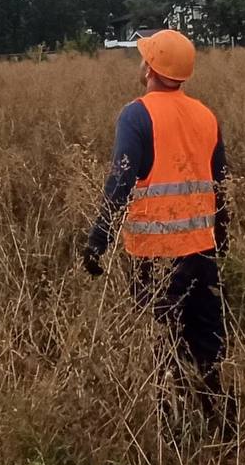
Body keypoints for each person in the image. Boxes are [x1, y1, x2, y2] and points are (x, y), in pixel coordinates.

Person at [84, 29, 231, 431]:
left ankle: (174, 432)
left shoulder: (137, 114)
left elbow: (120, 183)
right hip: (201, 249)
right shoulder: (205, 114)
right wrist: (223, 235)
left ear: (150, 67)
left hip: (154, 253)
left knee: (163, 344)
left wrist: (99, 238)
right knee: (208, 343)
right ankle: (224, 427)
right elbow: (221, 183)